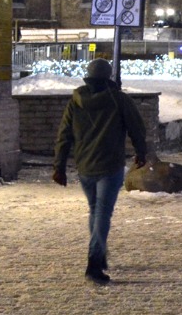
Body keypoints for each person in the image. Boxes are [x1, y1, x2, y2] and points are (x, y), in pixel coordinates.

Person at [52, 58, 148, 285]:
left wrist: (59, 167)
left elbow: (64, 135)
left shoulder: (76, 101)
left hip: (85, 165)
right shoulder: (118, 99)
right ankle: (94, 264)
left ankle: (100, 252)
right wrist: (141, 153)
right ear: (108, 76)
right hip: (110, 164)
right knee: (103, 213)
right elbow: (137, 127)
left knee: (95, 211)